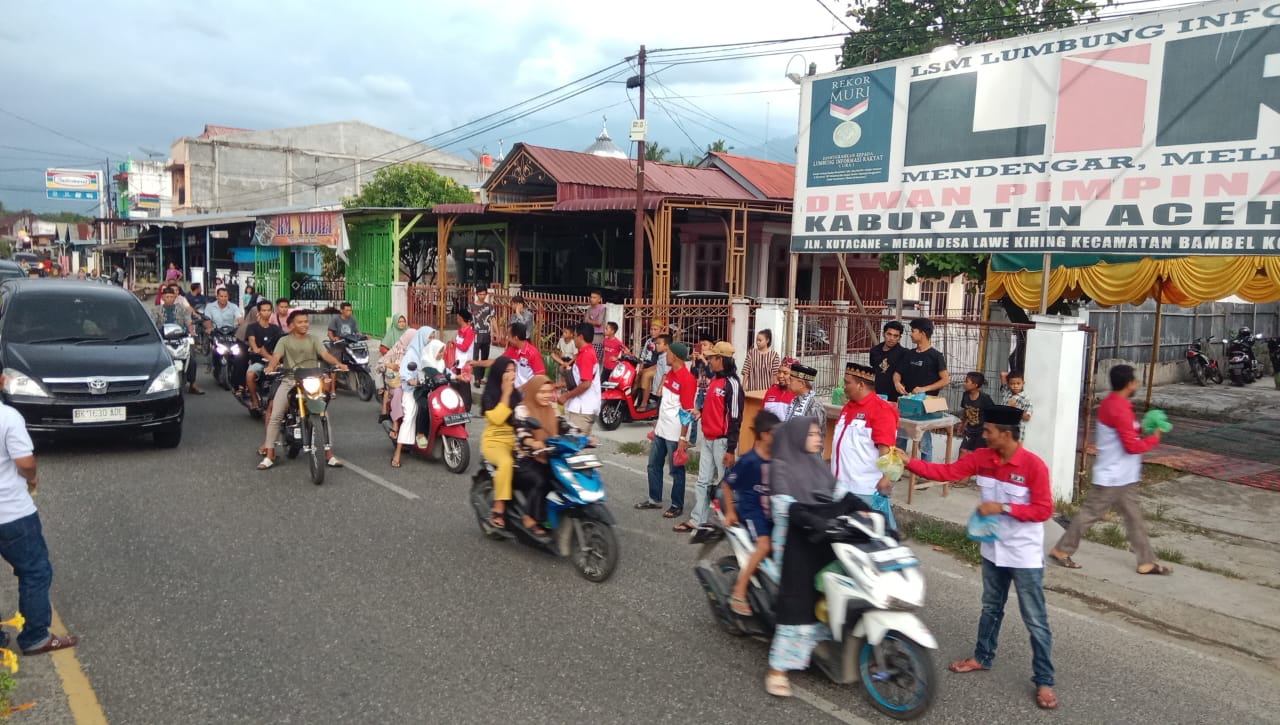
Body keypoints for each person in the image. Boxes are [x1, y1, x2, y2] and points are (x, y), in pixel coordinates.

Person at [903, 405, 1058, 711]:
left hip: (1023, 555)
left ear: (1006, 434)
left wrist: (1004, 508)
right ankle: (982, 657)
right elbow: (947, 472)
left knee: (1035, 620)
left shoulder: (1033, 466)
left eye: (988, 431)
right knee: (991, 607)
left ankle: (1044, 679)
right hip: (993, 550)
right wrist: (909, 461)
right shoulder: (982, 458)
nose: (982, 434)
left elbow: (1044, 510)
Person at [765, 416, 864, 698]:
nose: (819, 438)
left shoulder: (818, 466)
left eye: (819, 433)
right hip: (794, 542)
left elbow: (841, 495)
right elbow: (787, 509)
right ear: (796, 437)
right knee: (800, 599)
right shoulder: (780, 467)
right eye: (812, 434)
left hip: (823, 536)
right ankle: (778, 669)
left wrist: (865, 510)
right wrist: (814, 519)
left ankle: (823, 644)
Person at [1050, 364, 1169, 575]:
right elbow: (1131, 446)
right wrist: (1154, 438)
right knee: (1090, 515)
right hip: (1113, 476)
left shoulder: (1115, 403)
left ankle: (1146, 561)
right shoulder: (1119, 408)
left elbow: (1128, 431)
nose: (1137, 384)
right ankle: (1062, 549)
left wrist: (1144, 428)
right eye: (1135, 380)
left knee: (1133, 518)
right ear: (1129, 384)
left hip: (1123, 475)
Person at [0, 381, 78, 655]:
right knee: (34, 571)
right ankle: (35, 637)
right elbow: (25, 462)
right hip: (11, 513)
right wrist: (32, 479)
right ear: (1, 381)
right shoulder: (7, 417)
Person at [257, 310, 347, 470]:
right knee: (276, 415)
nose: (304, 324)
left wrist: (338, 364)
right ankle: (270, 454)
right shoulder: (284, 341)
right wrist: (271, 366)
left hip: (311, 380)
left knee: (323, 415)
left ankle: (329, 454)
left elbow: (325, 354)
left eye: (306, 321)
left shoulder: (314, 339)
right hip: (290, 380)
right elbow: (276, 356)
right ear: (291, 325)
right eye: (300, 322)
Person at [677, 342, 744, 533]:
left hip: (722, 442)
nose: (709, 361)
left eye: (712, 358)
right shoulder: (715, 380)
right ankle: (697, 520)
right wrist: (700, 412)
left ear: (720, 359)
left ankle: (726, 523)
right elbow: (713, 407)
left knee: (725, 484)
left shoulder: (732, 384)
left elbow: (735, 418)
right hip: (708, 438)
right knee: (702, 481)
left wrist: (731, 449)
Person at [720, 410, 779, 617]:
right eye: (775, 433)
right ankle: (739, 592)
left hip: (772, 513)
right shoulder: (750, 460)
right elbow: (727, 485)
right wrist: (730, 512)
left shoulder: (777, 459)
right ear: (764, 435)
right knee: (764, 545)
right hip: (753, 512)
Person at [831, 363, 901, 530]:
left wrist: (886, 479)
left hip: (864, 491)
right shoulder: (848, 407)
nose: (844, 387)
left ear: (861, 385)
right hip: (840, 487)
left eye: (847, 383)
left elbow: (888, 451)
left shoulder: (881, 410)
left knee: (871, 542)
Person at [514, 375, 583, 535]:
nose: (546, 395)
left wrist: (582, 436)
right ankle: (530, 516)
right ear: (532, 392)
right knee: (541, 480)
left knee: (568, 478)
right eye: (541, 392)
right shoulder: (522, 409)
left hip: (550, 455)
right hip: (526, 458)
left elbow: (565, 425)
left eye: (548, 391)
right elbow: (522, 432)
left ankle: (557, 514)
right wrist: (532, 443)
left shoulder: (551, 408)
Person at [637, 341, 696, 518]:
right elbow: (667, 402)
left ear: (676, 356)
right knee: (653, 465)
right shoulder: (670, 373)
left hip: (675, 432)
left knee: (676, 470)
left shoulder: (687, 379)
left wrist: (683, 438)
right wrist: (657, 421)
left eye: (668, 352)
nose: (665, 355)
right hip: (662, 429)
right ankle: (654, 499)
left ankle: (677, 504)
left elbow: (687, 412)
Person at [893, 318, 949, 462]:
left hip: (926, 406)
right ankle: (897, 468)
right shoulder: (909, 354)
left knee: (924, 442)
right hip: (908, 403)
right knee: (900, 438)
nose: (911, 334)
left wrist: (925, 389)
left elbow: (945, 380)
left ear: (922, 333)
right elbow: (897, 373)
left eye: (913, 331)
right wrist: (897, 382)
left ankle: (925, 471)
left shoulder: (936, 356)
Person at [480, 357, 519, 527]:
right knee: (506, 462)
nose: (512, 375)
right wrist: (506, 394)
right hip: (494, 442)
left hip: (516, 440)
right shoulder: (490, 394)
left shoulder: (517, 394)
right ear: (498, 374)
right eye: (507, 371)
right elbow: (496, 418)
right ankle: (499, 506)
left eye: (514, 371)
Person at [392, 327, 439, 467]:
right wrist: (410, 380)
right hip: (412, 390)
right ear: (422, 337)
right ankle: (398, 452)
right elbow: (404, 372)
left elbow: (439, 367)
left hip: (427, 388)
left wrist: (455, 375)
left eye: (433, 337)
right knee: (410, 415)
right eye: (429, 337)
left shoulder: (430, 352)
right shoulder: (412, 354)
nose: (431, 340)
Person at [152, 285, 204, 395]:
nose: (169, 299)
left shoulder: (182, 309)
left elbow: (188, 321)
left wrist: (191, 332)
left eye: (171, 297)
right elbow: (153, 324)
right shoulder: (156, 310)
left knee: (191, 359)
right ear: (163, 298)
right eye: (167, 297)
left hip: (181, 338)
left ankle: (193, 385)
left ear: (174, 297)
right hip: (163, 340)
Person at [471, 322, 545, 389]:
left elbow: (540, 377)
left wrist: (522, 388)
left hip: (528, 395)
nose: (507, 339)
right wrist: (477, 363)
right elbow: (496, 362)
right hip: (515, 392)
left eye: (509, 336)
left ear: (515, 338)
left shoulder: (533, 353)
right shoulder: (512, 350)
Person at [559, 322, 601, 434]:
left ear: (581, 337)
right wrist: (558, 385)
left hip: (582, 408)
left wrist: (566, 396)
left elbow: (586, 383)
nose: (574, 339)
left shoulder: (586, 355)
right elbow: (579, 380)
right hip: (584, 407)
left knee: (576, 445)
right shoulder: (585, 352)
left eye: (575, 336)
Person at [243, 299, 285, 411]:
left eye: (268, 310)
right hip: (258, 361)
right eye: (264, 310)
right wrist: (255, 348)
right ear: (259, 312)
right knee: (250, 374)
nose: (266, 312)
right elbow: (251, 340)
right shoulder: (252, 327)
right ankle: (254, 400)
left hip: (274, 361)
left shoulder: (275, 329)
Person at [378, 324, 417, 428]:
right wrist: (390, 365)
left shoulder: (417, 351)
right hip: (397, 383)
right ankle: (396, 424)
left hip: (415, 383)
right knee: (398, 393)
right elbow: (381, 363)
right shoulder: (397, 349)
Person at [204, 287, 245, 381]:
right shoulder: (210, 307)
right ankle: (211, 365)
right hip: (216, 332)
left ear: (228, 297)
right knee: (213, 349)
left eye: (225, 296)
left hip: (231, 333)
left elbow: (239, 317)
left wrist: (242, 325)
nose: (223, 298)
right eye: (221, 296)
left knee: (239, 351)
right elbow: (207, 319)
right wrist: (209, 328)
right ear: (217, 296)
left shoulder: (233, 307)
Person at [784, 364, 826, 448]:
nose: (788, 382)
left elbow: (814, 441)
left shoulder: (814, 406)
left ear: (802, 384)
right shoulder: (795, 401)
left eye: (791, 380)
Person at [958, 372, 995, 457]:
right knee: (963, 450)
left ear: (975, 385)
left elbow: (993, 413)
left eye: (967, 381)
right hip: (969, 431)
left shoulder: (985, 398)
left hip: (981, 432)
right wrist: (962, 424)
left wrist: (990, 430)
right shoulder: (965, 395)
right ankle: (960, 470)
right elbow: (965, 410)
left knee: (978, 455)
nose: (964, 383)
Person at [870, 321, 907, 402]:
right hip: (876, 395)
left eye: (895, 336)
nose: (892, 338)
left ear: (899, 338)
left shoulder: (904, 353)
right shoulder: (874, 351)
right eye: (889, 334)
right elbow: (874, 370)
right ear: (883, 334)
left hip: (895, 397)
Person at [635, 321, 666, 410]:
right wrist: (641, 367)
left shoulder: (662, 343)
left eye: (655, 329)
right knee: (636, 377)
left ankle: (644, 404)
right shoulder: (649, 341)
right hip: (647, 366)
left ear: (661, 330)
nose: (652, 331)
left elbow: (661, 361)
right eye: (651, 329)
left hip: (656, 368)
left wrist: (647, 370)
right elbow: (643, 355)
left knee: (645, 375)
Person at [470, 286, 495, 387]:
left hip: (486, 336)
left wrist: (497, 332)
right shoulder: (471, 306)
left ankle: (480, 378)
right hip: (475, 336)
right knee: (475, 358)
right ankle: (476, 379)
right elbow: (468, 321)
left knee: (485, 358)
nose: (482, 296)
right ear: (476, 295)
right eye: (480, 294)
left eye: (484, 294)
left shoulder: (489, 307)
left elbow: (493, 320)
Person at [1003, 371, 1033, 438]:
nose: (1015, 386)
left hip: (1016, 431)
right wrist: (1013, 374)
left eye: (1018, 383)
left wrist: (1015, 408)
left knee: (1015, 448)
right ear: (1008, 384)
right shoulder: (1007, 392)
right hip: (1003, 428)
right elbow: (1003, 374)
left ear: (1023, 383)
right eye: (1012, 384)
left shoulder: (1025, 399)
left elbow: (1027, 417)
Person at [585, 290, 607, 360]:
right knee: (588, 357)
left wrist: (589, 321)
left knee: (595, 359)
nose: (591, 299)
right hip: (589, 336)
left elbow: (599, 323)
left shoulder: (602, 308)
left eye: (594, 297)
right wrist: (592, 321)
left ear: (599, 299)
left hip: (598, 337)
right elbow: (585, 321)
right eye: (591, 297)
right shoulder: (589, 309)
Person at [554, 325, 578, 389]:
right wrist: (560, 353)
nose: (564, 334)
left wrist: (568, 363)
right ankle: (563, 364)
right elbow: (557, 350)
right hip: (562, 360)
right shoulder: (561, 340)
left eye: (566, 332)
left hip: (570, 360)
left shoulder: (573, 343)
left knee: (563, 370)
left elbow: (575, 356)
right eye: (563, 332)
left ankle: (563, 386)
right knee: (552, 354)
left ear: (571, 335)